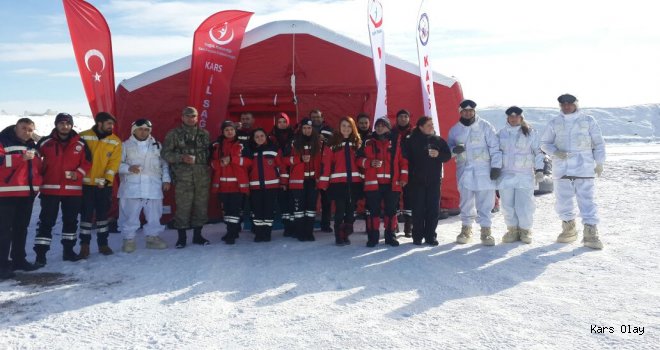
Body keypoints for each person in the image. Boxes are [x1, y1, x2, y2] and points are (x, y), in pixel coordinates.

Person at [540, 94, 606, 249]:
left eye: (569, 103)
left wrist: (600, 162)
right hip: (562, 168)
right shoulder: (554, 122)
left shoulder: (588, 120)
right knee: (563, 200)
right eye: (563, 104)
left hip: (584, 167)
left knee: (587, 200)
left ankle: (591, 232)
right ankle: (568, 229)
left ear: (576, 104)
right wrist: (555, 152)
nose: (566, 106)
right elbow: (544, 143)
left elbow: (598, 143)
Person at [33, 113, 90, 266]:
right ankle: (40, 255)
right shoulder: (46, 142)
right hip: (49, 190)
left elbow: (87, 163)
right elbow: (35, 162)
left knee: (70, 222)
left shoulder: (81, 144)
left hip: (72, 191)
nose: (64, 126)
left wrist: (78, 174)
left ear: (72, 125)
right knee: (46, 222)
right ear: (56, 124)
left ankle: (69, 252)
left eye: (67, 123)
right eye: (61, 123)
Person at [448, 99, 502, 246]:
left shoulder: (485, 126)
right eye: (464, 111)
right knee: (466, 201)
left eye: (471, 110)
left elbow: (495, 148)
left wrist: (496, 167)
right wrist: (454, 150)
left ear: (474, 111)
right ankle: (466, 229)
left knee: (485, 202)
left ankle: (486, 231)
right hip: (465, 171)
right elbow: (448, 149)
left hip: (484, 170)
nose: (468, 113)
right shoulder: (455, 130)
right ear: (460, 112)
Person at [117, 118, 171, 253]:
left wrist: (166, 180)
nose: (143, 132)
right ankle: (129, 239)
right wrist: (128, 169)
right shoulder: (125, 145)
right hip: (132, 187)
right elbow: (116, 164)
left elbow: (164, 164)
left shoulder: (157, 145)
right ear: (134, 130)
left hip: (153, 186)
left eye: (146, 130)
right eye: (140, 129)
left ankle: (152, 238)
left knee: (154, 214)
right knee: (130, 215)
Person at [162, 107, 211, 248]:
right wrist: (181, 157)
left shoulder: (204, 134)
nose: (191, 118)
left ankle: (198, 236)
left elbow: (209, 154)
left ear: (197, 118)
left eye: (194, 116)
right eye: (188, 116)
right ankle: (181, 238)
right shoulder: (174, 134)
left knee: (201, 207)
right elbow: (165, 154)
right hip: (183, 178)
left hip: (201, 177)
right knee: (183, 208)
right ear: (182, 117)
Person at [0, 118, 42, 279]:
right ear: (15, 128)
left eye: (30, 129)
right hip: (6, 194)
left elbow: (37, 168)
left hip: (26, 194)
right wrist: (20, 158)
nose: (27, 132)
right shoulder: (3, 140)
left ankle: (19, 260)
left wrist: (37, 185)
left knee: (21, 229)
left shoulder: (33, 145)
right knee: (4, 231)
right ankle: (2, 265)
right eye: (24, 128)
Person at [496, 107, 545, 244]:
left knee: (524, 205)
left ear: (521, 118)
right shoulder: (501, 134)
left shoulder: (530, 133)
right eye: (510, 117)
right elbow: (495, 153)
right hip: (505, 175)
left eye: (516, 116)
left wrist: (540, 169)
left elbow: (538, 152)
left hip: (524, 175)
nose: (513, 119)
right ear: (507, 118)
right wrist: (494, 169)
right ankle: (512, 230)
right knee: (507, 205)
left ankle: (525, 230)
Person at [78, 112, 122, 257]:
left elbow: (114, 163)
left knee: (103, 216)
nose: (111, 127)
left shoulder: (115, 141)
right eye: (109, 124)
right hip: (85, 185)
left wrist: (107, 179)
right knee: (86, 216)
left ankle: (103, 244)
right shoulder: (83, 136)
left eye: (112, 124)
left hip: (104, 186)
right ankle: (84, 245)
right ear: (100, 123)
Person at [360, 117, 408, 247]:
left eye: (383, 125)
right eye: (377, 125)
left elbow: (403, 162)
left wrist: (403, 178)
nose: (379, 128)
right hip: (373, 184)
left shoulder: (397, 141)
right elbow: (358, 159)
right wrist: (369, 163)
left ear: (388, 127)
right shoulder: (367, 142)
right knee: (373, 212)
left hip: (392, 184)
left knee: (391, 211)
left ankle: (390, 236)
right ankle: (373, 237)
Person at [403, 116, 451, 245]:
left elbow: (447, 156)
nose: (432, 127)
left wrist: (438, 155)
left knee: (433, 209)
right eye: (428, 125)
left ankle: (431, 236)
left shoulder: (438, 140)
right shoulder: (411, 141)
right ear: (421, 127)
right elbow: (404, 158)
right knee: (417, 209)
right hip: (416, 181)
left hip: (434, 181)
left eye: (432, 124)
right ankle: (417, 236)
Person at [318, 116, 363, 246]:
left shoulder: (358, 143)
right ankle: (339, 236)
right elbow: (326, 165)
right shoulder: (332, 144)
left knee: (350, 212)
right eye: (343, 126)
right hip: (338, 184)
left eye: (349, 126)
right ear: (339, 127)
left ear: (353, 128)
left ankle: (346, 234)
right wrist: (323, 183)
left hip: (354, 183)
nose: (346, 129)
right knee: (339, 211)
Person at [210, 120, 250, 245]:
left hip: (237, 185)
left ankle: (231, 234)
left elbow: (249, 162)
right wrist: (219, 163)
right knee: (226, 211)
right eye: (227, 130)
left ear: (235, 130)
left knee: (234, 210)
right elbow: (210, 162)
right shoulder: (216, 145)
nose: (229, 132)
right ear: (222, 131)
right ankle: (232, 230)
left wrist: (233, 159)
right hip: (222, 185)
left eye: (231, 129)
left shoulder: (242, 144)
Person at [285, 118, 322, 241]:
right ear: (301, 129)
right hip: (298, 182)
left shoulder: (319, 143)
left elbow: (324, 162)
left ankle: (309, 232)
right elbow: (284, 160)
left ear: (313, 129)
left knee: (311, 208)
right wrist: (299, 159)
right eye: (304, 128)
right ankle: (300, 232)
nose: (307, 130)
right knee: (299, 209)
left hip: (312, 181)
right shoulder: (293, 142)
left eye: (309, 128)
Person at [247, 128, 282, 242]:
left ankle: (267, 233)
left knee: (268, 211)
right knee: (257, 211)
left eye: (262, 135)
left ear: (266, 136)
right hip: (255, 186)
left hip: (271, 187)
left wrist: (283, 181)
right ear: (253, 138)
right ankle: (258, 233)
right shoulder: (249, 151)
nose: (259, 138)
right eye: (256, 136)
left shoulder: (274, 149)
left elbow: (281, 167)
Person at [269, 112, 295, 237]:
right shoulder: (271, 137)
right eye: (280, 122)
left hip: (294, 171)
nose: (282, 124)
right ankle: (287, 226)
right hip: (277, 172)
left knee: (293, 200)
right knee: (283, 201)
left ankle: (294, 224)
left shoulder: (294, 135)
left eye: (284, 122)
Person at [310, 109, 334, 233]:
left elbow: (334, 144)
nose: (315, 119)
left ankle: (326, 224)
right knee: (311, 200)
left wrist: (325, 140)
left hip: (325, 169)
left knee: (326, 200)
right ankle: (309, 224)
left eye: (318, 117)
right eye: (313, 117)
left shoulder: (329, 130)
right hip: (311, 168)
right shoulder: (306, 129)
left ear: (322, 117)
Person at [391, 109, 414, 237]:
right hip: (393, 169)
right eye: (401, 116)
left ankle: (408, 227)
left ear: (409, 118)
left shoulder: (414, 132)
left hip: (410, 169)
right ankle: (394, 225)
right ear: (397, 118)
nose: (403, 119)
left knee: (409, 198)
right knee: (393, 198)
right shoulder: (391, 132)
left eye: (406, 116)